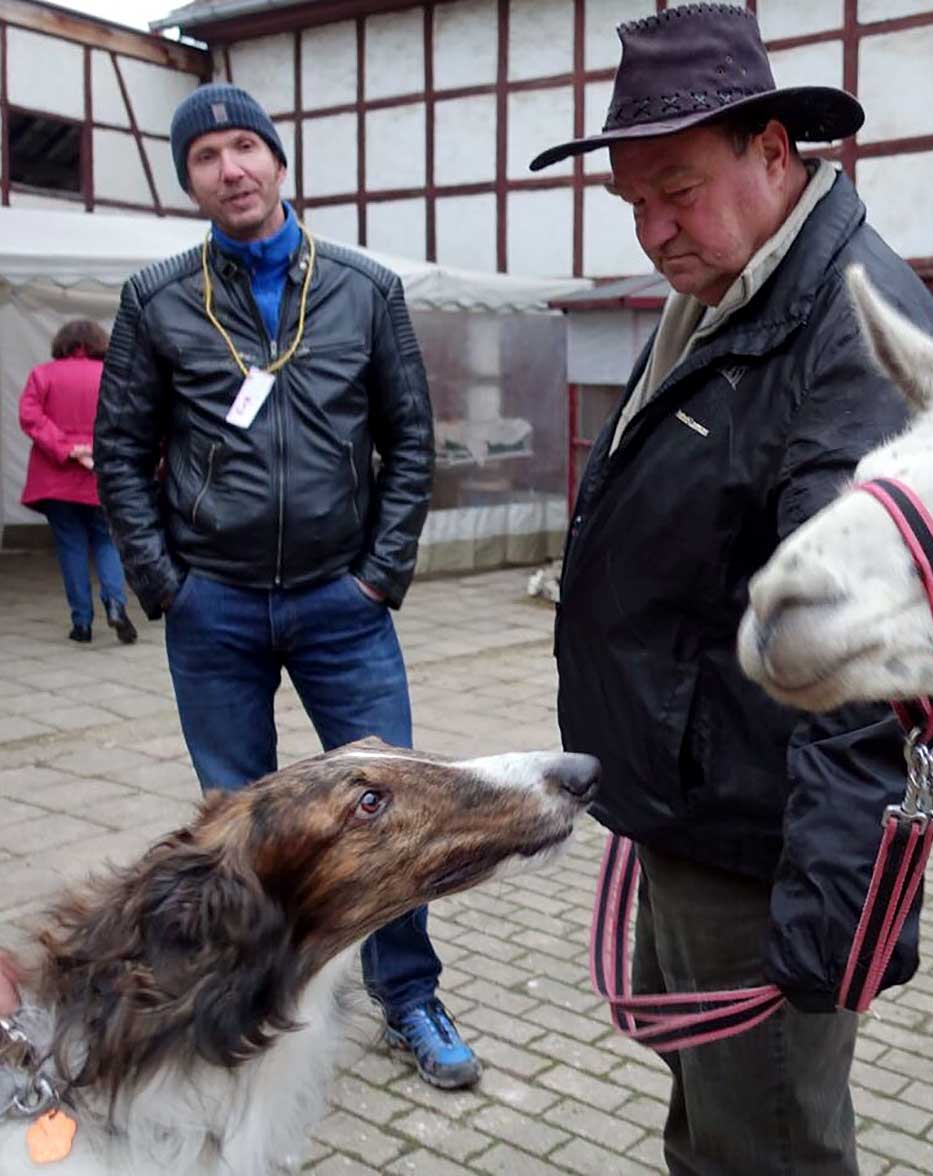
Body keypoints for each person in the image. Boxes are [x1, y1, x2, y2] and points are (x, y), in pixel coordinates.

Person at [531, 7, 933, 1172]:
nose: (653, 230)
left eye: (676, 191)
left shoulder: (847, 332)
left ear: (775, 151)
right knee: (713, 1116)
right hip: (696, 802)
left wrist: (822, 917)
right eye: (633, 204)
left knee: (767, 1136)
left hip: (761, 847)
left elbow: (862, 659)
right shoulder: (732, 288)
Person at [93, 84, 478, 1089]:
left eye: (244, 148)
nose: (231, 169)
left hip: (338, 606)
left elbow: (410, 445)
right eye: (206, 156)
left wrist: (378, 578)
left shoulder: (364, 290)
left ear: (278, 161)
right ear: (189, 180)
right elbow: (121, 451)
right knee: (233, 823)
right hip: (211, 605)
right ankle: (249, 1004)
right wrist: (163, 581)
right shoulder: (156, 299)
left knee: (392, 807)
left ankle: (411, 997)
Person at [19, 321, 137, 645]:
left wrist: (67, 448)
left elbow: (30, 417)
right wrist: (96, 449)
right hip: (102, 475)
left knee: (71, 546)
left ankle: (81, 623)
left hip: (55, 476)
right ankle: (115, 604)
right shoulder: (113, 376)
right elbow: (127, 420)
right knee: (108, 541)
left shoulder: (42, 375)